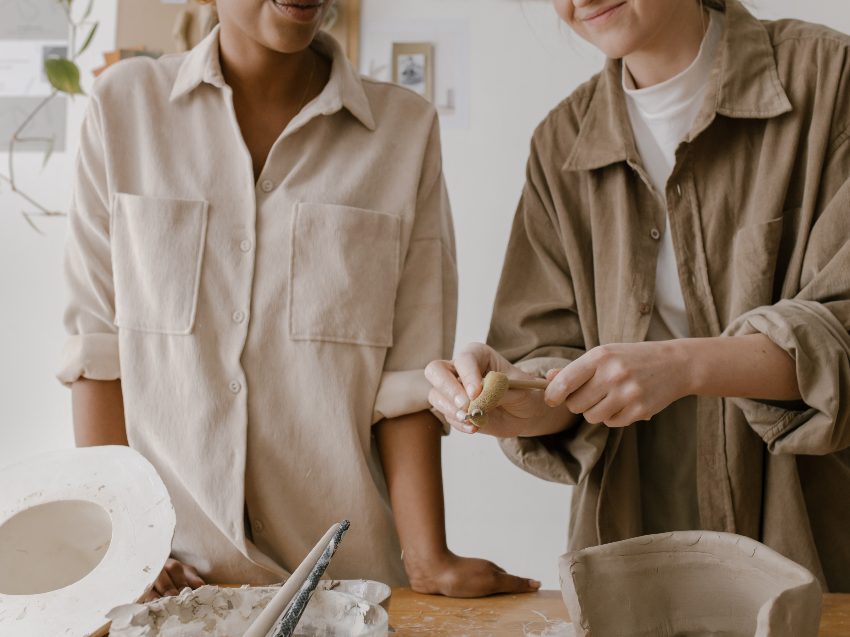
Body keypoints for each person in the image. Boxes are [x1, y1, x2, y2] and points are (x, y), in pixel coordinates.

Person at [59, 0, 537, 598]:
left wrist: (427, 558)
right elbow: (100, 357)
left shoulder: (403, 130)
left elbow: (411, 377)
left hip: (346, 589)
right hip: (172, 591)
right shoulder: (123, 109)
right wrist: (128, 552)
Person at [426, 0, 850, 592]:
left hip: (811, 547)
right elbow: (552, 352)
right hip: (629, 559)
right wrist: (521, 391)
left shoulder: (830, 78)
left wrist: (684, 366)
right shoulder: (561, 144)